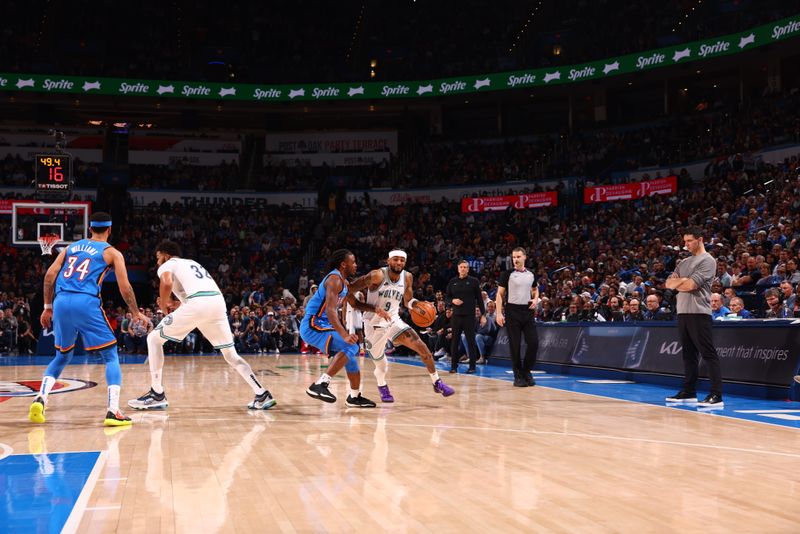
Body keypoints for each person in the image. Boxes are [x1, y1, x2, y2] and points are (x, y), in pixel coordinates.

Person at [128, 240, 277, 411]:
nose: (157, 261)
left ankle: (157, 394)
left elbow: (167, 283)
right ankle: (261, 393)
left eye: (158, 257)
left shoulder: (168, 264)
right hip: (217, 303)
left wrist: (163, 303)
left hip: (199, 304)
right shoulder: (192, 263)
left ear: (166, 255)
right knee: (230, 355)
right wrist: (177, 305)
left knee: (154, 339)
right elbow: (196, 295)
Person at [29, 212, 142, 427]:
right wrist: (135, 312)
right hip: (86, 302)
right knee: (110, 355)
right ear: (109, 230)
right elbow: (124, 287)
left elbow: (50, 275)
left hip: (61, 302)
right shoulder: (113, 253)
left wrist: (47, 307)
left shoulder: (71, 247)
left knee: (62, 356)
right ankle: (113, 410)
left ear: (90, 229)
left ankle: (40, 398)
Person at [352, 250, 454, 402]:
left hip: (393, 320)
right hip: (373, 325)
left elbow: (407, 301)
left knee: (423, 349)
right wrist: (373, 309)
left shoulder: (407, 277)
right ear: (388, 260)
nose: (399, 263)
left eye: (402, 260)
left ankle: (437, 382)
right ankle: (382, 386)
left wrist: (417, 305)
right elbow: (350, 290)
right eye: (395, 259)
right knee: (381, 366)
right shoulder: (376, 275)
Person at [303, 249, 392, 407]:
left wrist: (376, 309)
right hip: (313, 324)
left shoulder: (343, 283)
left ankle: (354, 396)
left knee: (350, 357)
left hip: (323, 324)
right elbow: (331, 311)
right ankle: (321, 384)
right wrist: (344, 334)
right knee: (351, 345)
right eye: (353, 262)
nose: (356, 265)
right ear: (344, 264)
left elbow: (355, 304)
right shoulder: (334, 279)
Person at [665, 227, 723, 407]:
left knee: (708, 353)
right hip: (682, 312)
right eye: (684, 241)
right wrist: (682, 282)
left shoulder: (708, 261)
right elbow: (668, 283)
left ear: (700, 239)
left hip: (699, 313)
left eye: (689, 240)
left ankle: (716, 395)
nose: (686, 244)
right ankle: (689, 391)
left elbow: (690, 285)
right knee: (688, 355)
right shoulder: (683, 261)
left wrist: (681, 282)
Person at [495, 247, 539, 387]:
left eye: (518, 256)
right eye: (514, 257)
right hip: (512, 310)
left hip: (527, 311)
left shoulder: (531, 274)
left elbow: (535, 289)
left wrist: (535, 299)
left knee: (533, 343)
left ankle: (526, 371)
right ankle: (518, 375)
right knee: (515, 346)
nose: (516, 259)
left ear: (524, 257)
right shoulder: (507, 274)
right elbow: (499, 294)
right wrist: (499, 313)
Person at [445, 260, 484, 373]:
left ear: (468, 269)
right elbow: (447, 297)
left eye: (465, 267)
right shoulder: (453, 282)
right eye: (461, 267)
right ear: (458, 268)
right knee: (455, 341)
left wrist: (483, 315)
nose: (463, 269)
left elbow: (480, 299)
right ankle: (453, 367)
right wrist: (453, 300)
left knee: (471, 341)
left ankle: (472, 367)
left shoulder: (474, 281)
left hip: (469, 316)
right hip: (456, 316)